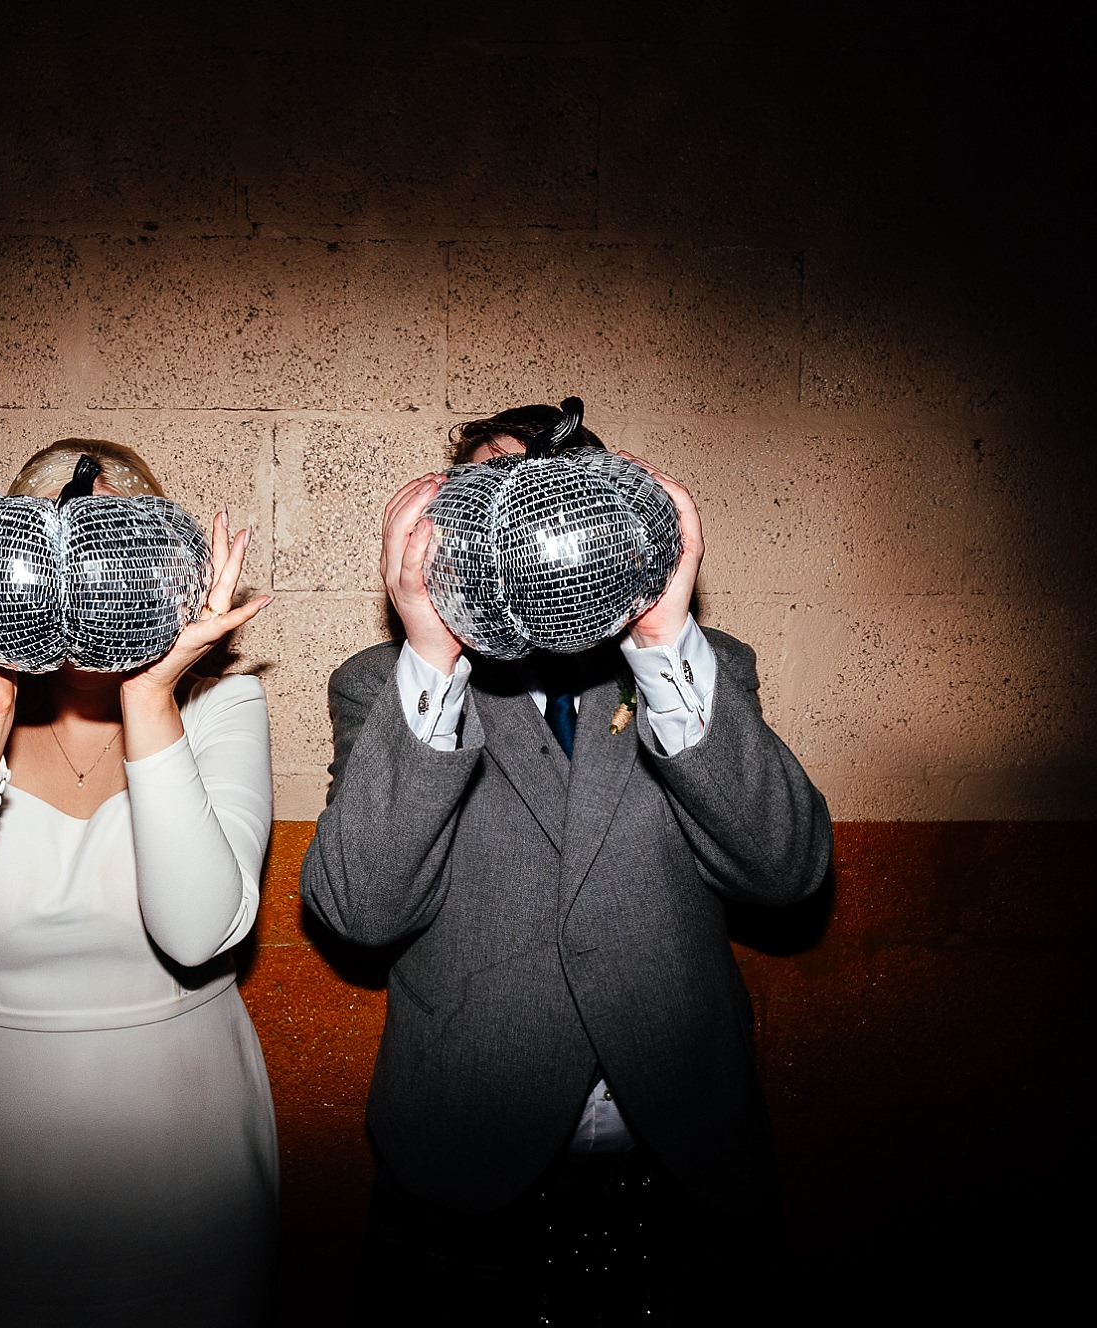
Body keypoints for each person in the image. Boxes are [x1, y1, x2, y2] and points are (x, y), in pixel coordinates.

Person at [300, 401, 833, 1322]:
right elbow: (359, 908)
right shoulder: (382, 683)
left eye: (548, 493)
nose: (522, 518)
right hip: (468, 1178)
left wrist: (664, 640)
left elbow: (788, 871)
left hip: (686, 1172)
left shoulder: (705, 667)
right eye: (489, 493)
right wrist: (430, 651)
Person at [0, 439, 278, 1327]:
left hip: (193, 1162)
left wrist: (151, 698)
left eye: (117, 542)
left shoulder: (222, 707)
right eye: (62, 542)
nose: (89, 574)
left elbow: (198, 932)